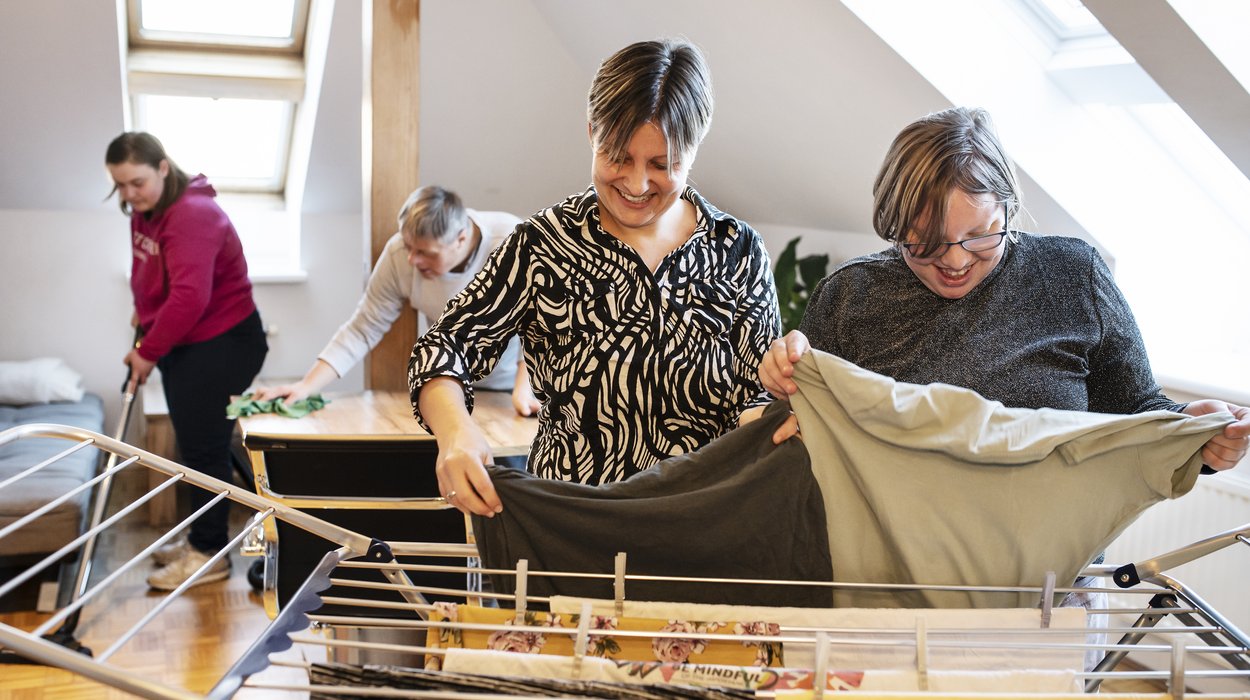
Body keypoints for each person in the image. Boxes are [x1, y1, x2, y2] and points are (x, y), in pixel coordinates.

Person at [758, 106, 1248, 471]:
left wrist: (1195, 429)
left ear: (1009, 208)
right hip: (896, 566)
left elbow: (1137, 411)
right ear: (893, 222)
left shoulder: (1073, 275)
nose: (954, 261)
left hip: (1055, 570)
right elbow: (798, 430)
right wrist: (783, 382)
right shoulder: (850, 296)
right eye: (925, 241)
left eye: (980, 235)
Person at [409, 38, 781, 515]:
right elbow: (445, 347)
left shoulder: (737, 248)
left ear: (693, 150)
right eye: (618, 157)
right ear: (591, 133)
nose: (637, 184)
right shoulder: (544, 244)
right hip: (574, 521)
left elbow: (757, 397)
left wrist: (782, 409)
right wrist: (455, 431)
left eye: (663, 164)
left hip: (704, 521)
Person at [106, 132, 269, 590]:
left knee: (203, 450)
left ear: (163, 167)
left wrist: (146, 352)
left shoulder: (194, 215)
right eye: (120, 185)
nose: (128, 194)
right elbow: (151, 272)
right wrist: (144, 314)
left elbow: (189, 298)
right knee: (199, 444)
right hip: (188, 340)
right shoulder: (145, 209)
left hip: (223, 341)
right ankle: (202, 538)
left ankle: (209, 553)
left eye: (136, 182)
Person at [253, 186, 539, 417]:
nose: (412, 260)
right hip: (447, 385)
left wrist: (525, 387)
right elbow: (363, 327)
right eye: (408, 247)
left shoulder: (513, 243)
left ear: (461, 239)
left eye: (425, 253)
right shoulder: (399, 255)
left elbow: (539, 322)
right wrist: (305, 386)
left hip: (511, 387)